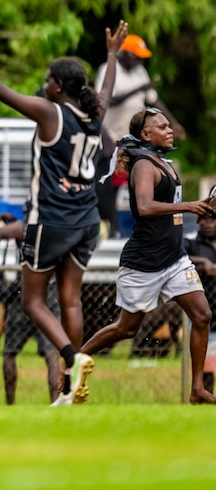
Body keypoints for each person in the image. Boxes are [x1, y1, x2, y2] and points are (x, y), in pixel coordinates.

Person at [0, 5, 128, 405]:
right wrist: (113, 56)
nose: (44, 84)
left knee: (32, 300)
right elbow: (105, 92)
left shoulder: (50, 113)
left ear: (58, 87)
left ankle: (73, 358)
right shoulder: (93, 113)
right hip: (87, 218)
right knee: (70, 298)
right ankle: (71, 381)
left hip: (51, 218)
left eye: (48, 80)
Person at [80, 108, 216, 404]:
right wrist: (191, 206)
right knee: (126, 329)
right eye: (162, 126)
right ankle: (76, 358)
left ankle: (197, 389)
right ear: (146, 134)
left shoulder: (163, 163)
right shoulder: (143, 165)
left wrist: (202, 206)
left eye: (169, 125)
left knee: (202, 315)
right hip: (143, 263)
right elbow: (144, 207)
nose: (170, 130)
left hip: (174, 258)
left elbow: (174, 205)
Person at [95, 34, 185, 237]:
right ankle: (110, 231)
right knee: (109, 188)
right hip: (112, 139)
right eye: (137, 56)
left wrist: (172, 122)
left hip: (136, 140)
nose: (140, 60)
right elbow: (111, 99)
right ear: (125, 54)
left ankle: (145, 231)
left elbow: (153, 100)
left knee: (141, 183)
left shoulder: (140, 72)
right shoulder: (109, 70)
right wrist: (140, 88)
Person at [0, 218, 60, 405]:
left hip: (26, 292)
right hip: (49, 294)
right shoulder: (58, 225)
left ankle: (10, 404)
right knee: (51, 353)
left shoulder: (24, 226)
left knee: (10, 352)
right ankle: (56, 403)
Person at [184, 213, 216, 393]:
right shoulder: (192, 243)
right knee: (207, 367)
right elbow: (177, 256)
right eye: (202, 219)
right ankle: (206, 398)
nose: (206, 223)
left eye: (212, 219)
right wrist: (204, 263)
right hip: (206, 315)